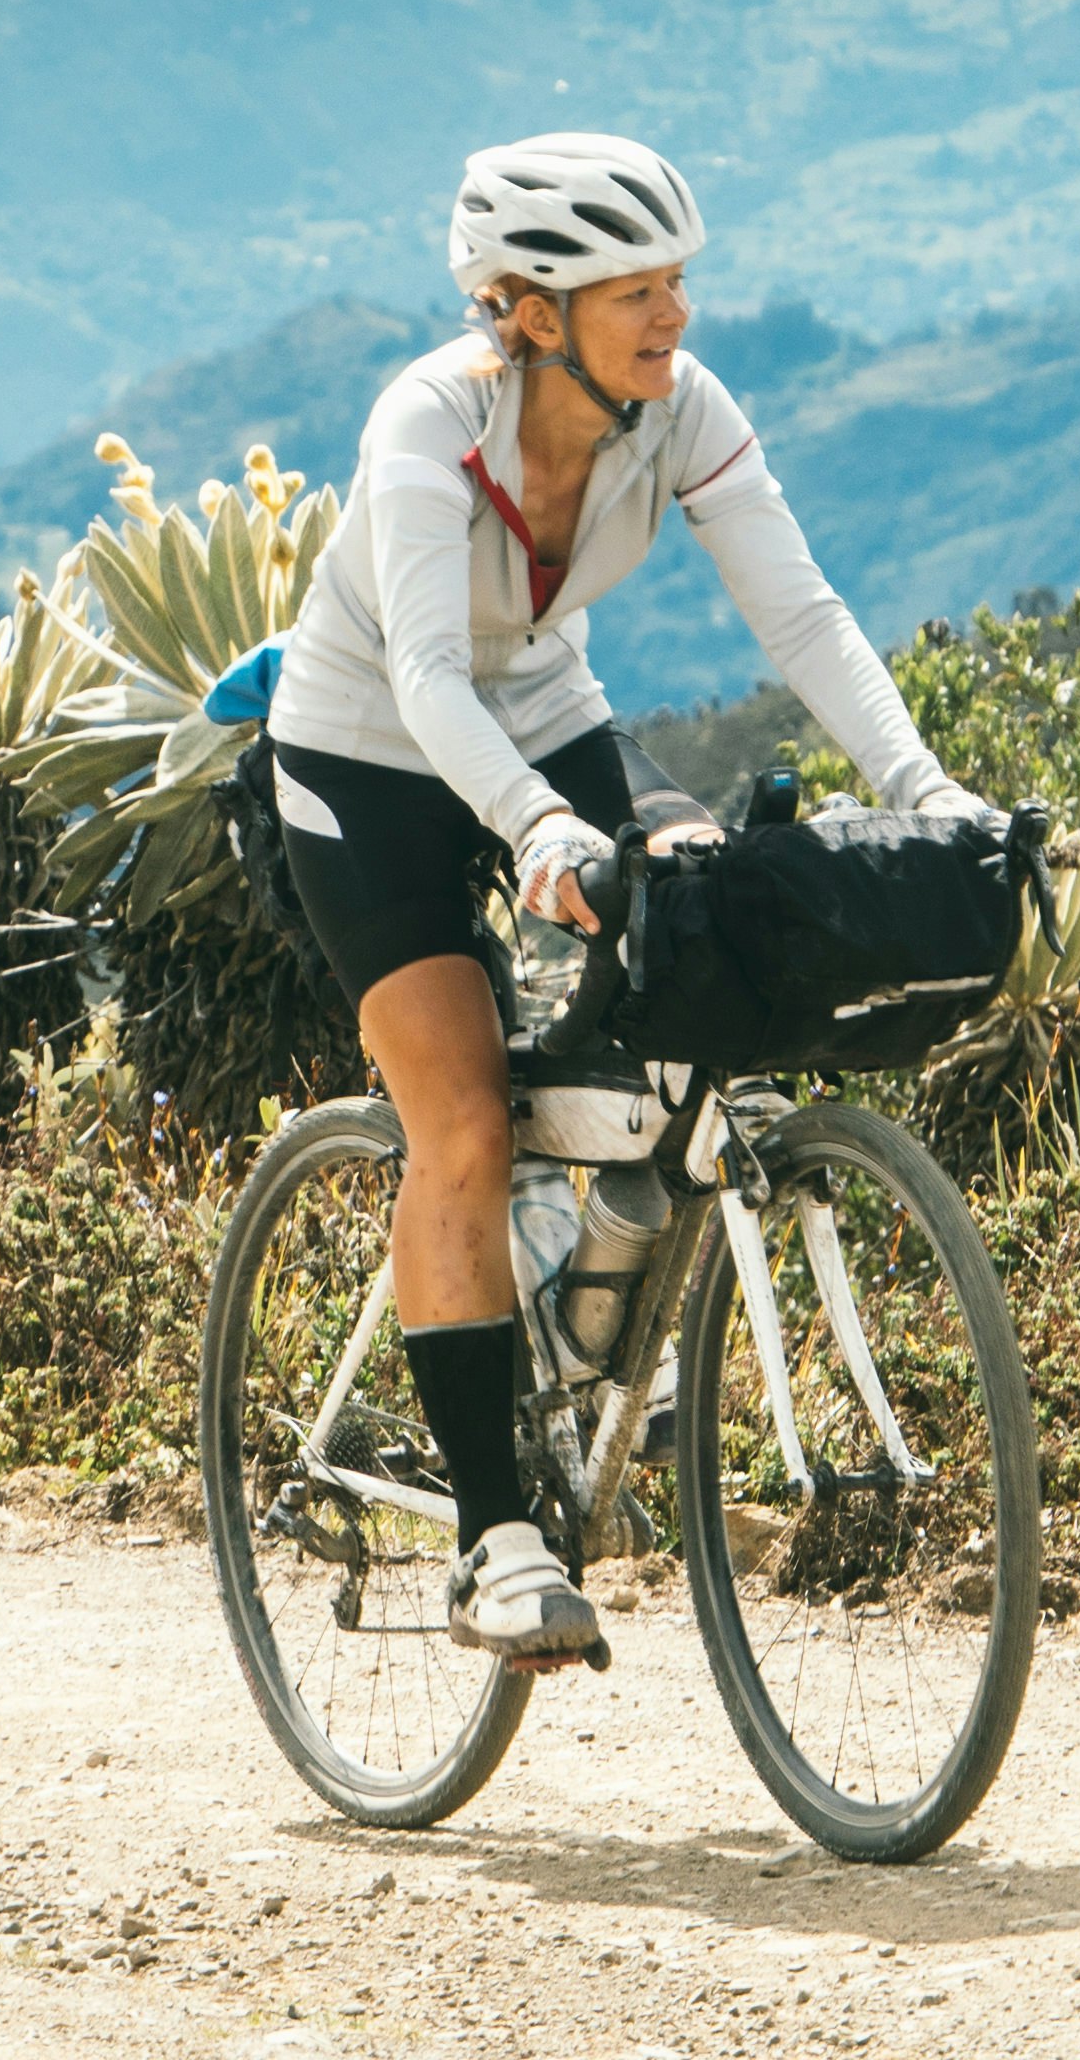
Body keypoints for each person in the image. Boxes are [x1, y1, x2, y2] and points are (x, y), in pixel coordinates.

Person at [260, 129, 997, 1669]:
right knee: (458, 1117)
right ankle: (494, 1539)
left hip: (541, 718)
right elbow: (421, 673)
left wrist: (926, 791)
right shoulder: (426, 425)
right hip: (367, 755)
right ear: (531, 312)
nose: (673, 318)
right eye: (635, 293)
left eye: (676, 286)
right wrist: (530, 830)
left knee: (698, 922)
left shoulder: (684, 415)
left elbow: (801, 614)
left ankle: (599, 1287)